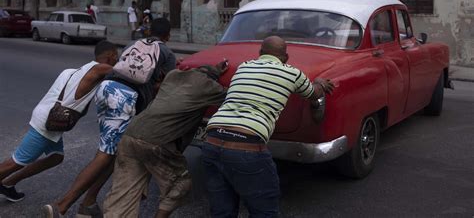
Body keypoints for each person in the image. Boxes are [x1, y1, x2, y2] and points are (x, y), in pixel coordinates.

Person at [43, 18, 177, 218]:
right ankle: (61, 206)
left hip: (106, 89)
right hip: (124, 98)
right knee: (105, 154)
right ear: (168, 35)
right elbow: (167, 86)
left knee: (112, 153)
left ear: (149, 31)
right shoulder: (166, 52)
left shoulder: (134, 44)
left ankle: (88, 204)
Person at [202, 36, 335, 217]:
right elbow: (313, 93)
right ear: (286, 58)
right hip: (247, 146)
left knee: (222, 212)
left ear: (260, 54)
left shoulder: (244, 66)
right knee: (264, 212)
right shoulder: (292, 73)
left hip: (211, 142)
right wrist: (319, 83)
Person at [103, 61, 229, 218]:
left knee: (124, 191)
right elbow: (232, 96)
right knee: (180, 184)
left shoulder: (173, 76)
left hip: (131, 135)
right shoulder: (210, 88)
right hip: (157, 142)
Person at [0, 41, 118, 203]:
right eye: (116, 57)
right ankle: (6, 179)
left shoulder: (73, 71)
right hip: (47, 124)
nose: (117, 60)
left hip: (48, 118)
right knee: (16, 162)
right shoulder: (100, 68)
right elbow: (126, 72)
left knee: (56, 157)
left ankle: (8, 183)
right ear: (111, 56)